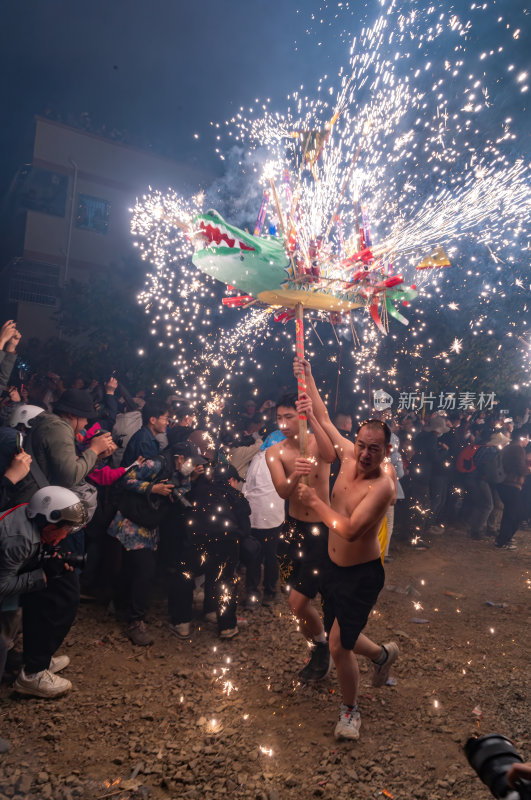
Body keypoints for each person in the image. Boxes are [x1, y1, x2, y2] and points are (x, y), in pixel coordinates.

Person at [295, 356, 399, 741]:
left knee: (339, 645)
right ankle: (382, 654)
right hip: (331, 566)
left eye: (375, 449)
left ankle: (350, 711)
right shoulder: (349, 456)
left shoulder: (382, 486)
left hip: (361, 575)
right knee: (348, 637)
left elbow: (352, 530)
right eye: (361, 445)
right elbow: (321, 417)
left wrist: (316, 502)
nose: (366, 454)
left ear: (386, 451)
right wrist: (306, 374)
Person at [266, 392, 336, 682]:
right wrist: (296, 473)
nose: (282, 424)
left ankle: (329, 646)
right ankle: (321, 643)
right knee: (296, 602)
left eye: (289, 417)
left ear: (301, 416)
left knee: (307, 600)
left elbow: (332, 455)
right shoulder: (275, 452)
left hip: (324, 530)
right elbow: (283, 490)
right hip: (293, 530)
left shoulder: (317, 442)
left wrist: (315, 418)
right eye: (279, 418)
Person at [0, 487, 88, 698]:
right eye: (64, 528)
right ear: (49, 522)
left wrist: (51, 558)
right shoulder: (21, 539)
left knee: (65, 587)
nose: (66, 534)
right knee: (53, 596)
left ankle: (36, 658)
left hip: (12, 569)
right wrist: (42, 575)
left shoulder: (33, 520)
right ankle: (32, 675)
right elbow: (1, 586)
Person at [241, 431, 286, 606]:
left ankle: (253, 594)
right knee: (271, 556)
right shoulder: (276, 460)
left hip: (253, 516)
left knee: (255, 556)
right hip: (270, 517)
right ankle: (270, 592)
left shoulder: (257, 458)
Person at [495, 426, 530, 550]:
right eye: (528, 439)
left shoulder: (510, 448)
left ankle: (504, 538)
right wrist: (528, 469)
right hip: (510, 484)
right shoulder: (518, 449)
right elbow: (519, 468)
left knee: (512, 513)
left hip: (506, 483)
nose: (528, 441)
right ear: (523, 438)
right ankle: (503, 540)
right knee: (514, 513)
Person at [121, 401, 169, 465]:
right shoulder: (144, 441)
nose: (167, 423)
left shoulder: (146, 436)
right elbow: (147, 471)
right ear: (152, 420)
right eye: (165, 419)